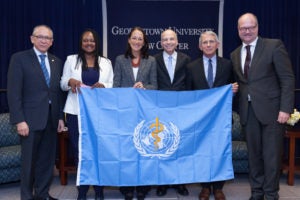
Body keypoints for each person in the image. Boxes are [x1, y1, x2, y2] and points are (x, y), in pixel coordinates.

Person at [230, 13, 295, 200]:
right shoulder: (235, 54)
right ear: (238, 30)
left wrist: (285, 109)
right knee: (254, 157)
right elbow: (243, 82)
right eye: (243, 28)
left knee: (272, 157)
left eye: (251, 27)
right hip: (248, 113)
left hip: (273, 112)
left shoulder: (274, 46)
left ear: (257, 27)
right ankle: (257, 193)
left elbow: (287, 79)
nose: (247, 31)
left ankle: (271, 194)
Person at [7, 25, 65, 200]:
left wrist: (61, 118)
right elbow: (14, 92)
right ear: (32, 38)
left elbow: (57, 93)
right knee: (29, 162)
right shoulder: (19, 59)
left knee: (46, 162)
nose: (43, 40)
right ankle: (26, 196)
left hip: (51, 119)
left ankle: (42, 194)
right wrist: (19, 120)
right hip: (29, 121)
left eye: (47, 38)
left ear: (52, 42)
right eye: (40, 36)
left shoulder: (56, 61)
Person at [60, 29, 113, 200]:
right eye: (85, 40)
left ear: (97, 43)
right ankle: (81, 191)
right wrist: (70, 81)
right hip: (76, 113)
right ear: (81, 43)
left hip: (99, 114)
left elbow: (112, 84)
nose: (89, 43)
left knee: (99, 151)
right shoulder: (71, 59)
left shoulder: (106, 62)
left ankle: (99, 190)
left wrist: (104, 85)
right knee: (79, 152)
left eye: (92, 40)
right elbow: (61, 83)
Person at [186, 30, 238, 200]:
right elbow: (189, 94)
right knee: (201, 154)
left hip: (221, 119)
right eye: (205, 42)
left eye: (211, 42)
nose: (208, 45)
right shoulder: (191, 67)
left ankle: (218, 188)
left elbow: (234, 88)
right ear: (200, 46)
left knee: (220, 153)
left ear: (217, 44)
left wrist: (234, 90)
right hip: (200, 120)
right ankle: (205, 188)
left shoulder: (228, 65)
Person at [113, 26, 157, 200]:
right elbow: (115, 86)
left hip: (145, 112)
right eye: (135, 38)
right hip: (125, 112)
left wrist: (144, 87)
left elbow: (155, 85)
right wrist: (128, 90)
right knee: (127, 150)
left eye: (141, 38)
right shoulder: (119, 60)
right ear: (129, 40)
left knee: (143, 148)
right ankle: (127, 186)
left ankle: (142, 186)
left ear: (144, 42)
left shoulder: (151, 60)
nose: (137, 41)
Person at [154, 29, 191, 197]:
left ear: (177, 42)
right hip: (160, 110)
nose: (168, 42)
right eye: (165, 40)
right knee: (162, 146)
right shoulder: (154, 60)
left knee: (180, 147)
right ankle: (162, 183)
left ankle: (180, 182)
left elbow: (189, 85)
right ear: (161, 43)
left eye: (171, 39)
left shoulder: (186, 59)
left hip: (180, 109)